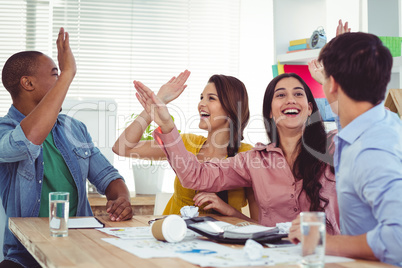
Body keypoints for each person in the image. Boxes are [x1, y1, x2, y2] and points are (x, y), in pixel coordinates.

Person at [134, 70, 340, 233]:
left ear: (310, 108)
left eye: (298, 94)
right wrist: (167, 125)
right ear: (269, 110)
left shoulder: (334, 148)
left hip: (327, 258)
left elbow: (364, 135)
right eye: (281, 95)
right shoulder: (254, 160)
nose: (290, 100)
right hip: (274, 258)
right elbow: (193, 176)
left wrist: (336, 87)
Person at [0, 28, 133, 268]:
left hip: (81, 247)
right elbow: (27, 140)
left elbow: (108, 177)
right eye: (54, 74)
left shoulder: (75, 128)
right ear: (27, 83)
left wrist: (121, 198)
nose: (61, 80)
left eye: (60, 74)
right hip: (25, 256)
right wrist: (68, 73)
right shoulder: (4, 131)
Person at [288, 21, 402, 266]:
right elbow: (346, 114)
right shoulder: (380, 123)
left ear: (334, 84)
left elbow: (398, 240)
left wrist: (322, 240)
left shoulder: (371, 151)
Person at [113, 72, 258, 221]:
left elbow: (259, 225)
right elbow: (122, 147)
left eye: (211, 98)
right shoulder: (185, 143)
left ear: (231, 107)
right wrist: (154, 107)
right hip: (175, 236)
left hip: (224, 242)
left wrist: (227, 209)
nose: (201, 103)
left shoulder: (248, 155)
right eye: (201, 98)